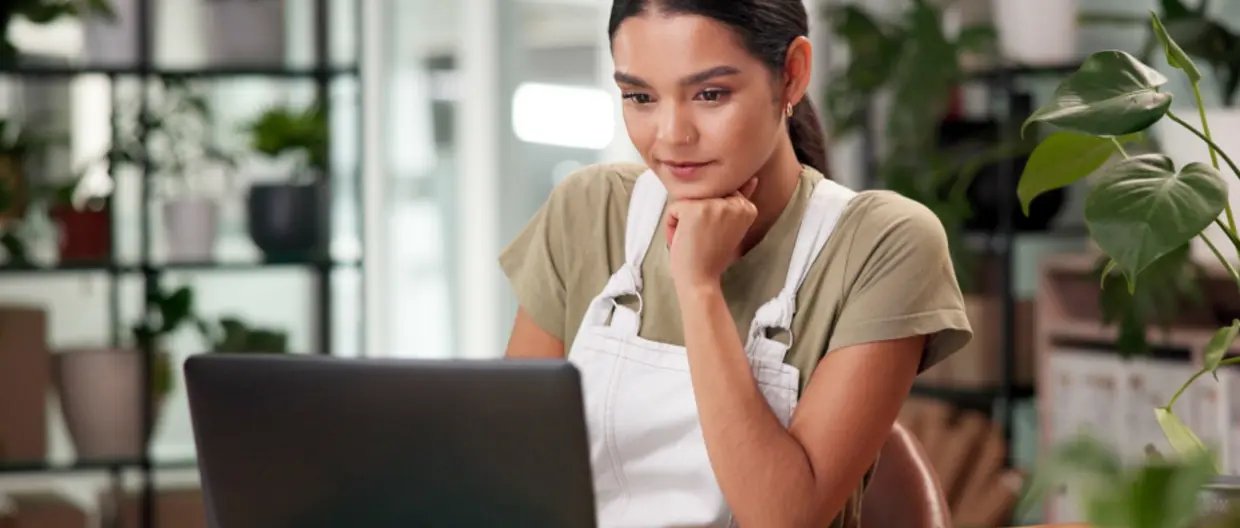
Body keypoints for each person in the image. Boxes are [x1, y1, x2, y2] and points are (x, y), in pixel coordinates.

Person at [499, 0, 973, 526]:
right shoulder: (591, 209)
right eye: (639, 96)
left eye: (710, 94)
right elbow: (512, 472)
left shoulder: (883, 244)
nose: (672, 135)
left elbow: (783, 517)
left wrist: (698, 286)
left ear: (791, 76)